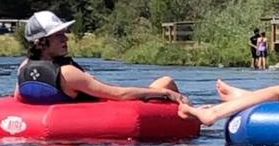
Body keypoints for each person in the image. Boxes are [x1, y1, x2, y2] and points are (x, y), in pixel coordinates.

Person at [15, 10, 188, 104]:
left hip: (67, 115)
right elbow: (119, 94)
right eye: (58, 35)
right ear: (40, 42)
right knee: (166, 81)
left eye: (64, 34)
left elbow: (18, 97)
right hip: (109, 109)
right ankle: (190, 122)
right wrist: (165, 93)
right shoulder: (67, 72)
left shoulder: (23, 68)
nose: (65, 39)